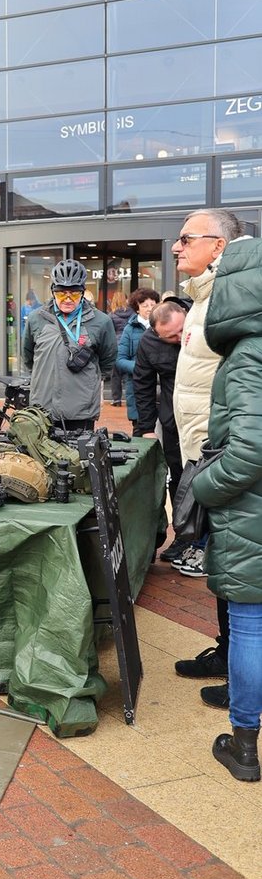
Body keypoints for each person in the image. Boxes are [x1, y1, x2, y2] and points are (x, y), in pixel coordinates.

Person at [191, 236, 262, 782]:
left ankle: (243, 746)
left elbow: (248, 452)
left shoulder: (247, 358)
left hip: (250, 510)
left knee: (250, 624)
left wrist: (203, 489)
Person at [170, 209, 243, 696]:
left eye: (185, 239)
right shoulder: (202, 299)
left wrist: (223, 456)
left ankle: (242, 671)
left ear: (218, 246)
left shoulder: (230, 299)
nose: (176, 247)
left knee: (235, 564)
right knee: (220, 560)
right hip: (204, 451)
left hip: (223, 457)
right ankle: (227, 652)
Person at [22, 258, 117, 433]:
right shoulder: (36, 318)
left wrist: (89, 382)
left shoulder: (101, 321)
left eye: (73, 293)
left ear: (83, 292)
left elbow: (108, 360)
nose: (67, 299)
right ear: (52, 292)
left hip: (81, 411)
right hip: (43, 410)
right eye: (61, 293)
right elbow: (28, 358)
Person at [134, 298, 189, 559]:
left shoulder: (200, 323)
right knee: (178, 478)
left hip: (205, 417)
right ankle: (183, 536)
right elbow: (142, 385)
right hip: (173, 420)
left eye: (182, 330)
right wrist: (146, 428)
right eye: (171, 336)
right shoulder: (148, 343)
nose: (179, 338)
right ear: (156, 332)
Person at [114, 288, 160, 435]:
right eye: (144, 305)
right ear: (137, 308)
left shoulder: (162, 326)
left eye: (153, 304)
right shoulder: (130, 329)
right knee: (141, 431)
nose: (149, 308)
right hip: (137, 388)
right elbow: (120, 360)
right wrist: (142, 368)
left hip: (162, 389)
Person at [109, 291, 132, 405]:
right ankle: (130, 398)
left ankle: (116, 399)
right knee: (129, 374)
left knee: (116, 375)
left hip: (117, 346)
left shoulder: (111, 316)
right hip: (129, 345)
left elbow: (110, 333)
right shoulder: (132, 314)